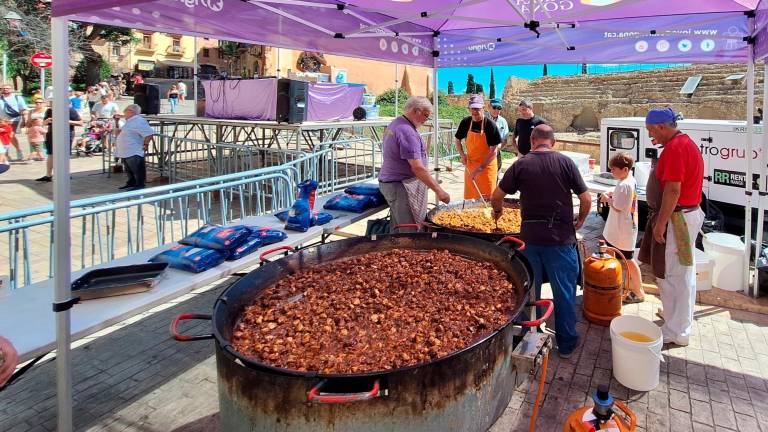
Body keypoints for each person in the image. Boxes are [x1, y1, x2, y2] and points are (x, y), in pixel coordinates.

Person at [490, 124, 591, 358]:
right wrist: (581, 220)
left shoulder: (521, 164)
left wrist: (497, 212)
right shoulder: (565, 162)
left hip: (530, 240)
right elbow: (585, 198)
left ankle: (528, 338)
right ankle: (566, 344)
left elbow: (497, 196)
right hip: (561, 240)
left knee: (528, 291)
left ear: (532, 141)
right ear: (552, 142)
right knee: (564, 293)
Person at [638, 107, 705, 347]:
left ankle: (677, 330)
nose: (650, 136)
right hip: (683, 216)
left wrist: (661, 224)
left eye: (650, 131)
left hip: (678, 220)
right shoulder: (682, 143)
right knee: (677, 271)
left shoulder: (676, 149)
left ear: (662, 127)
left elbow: (673, 190)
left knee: (675, 274)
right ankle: (674, 316)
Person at [379, 96, 451, 232]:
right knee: (410, 229)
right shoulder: (407, 131)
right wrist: (439, 191)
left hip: (393, 183)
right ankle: (407, 252)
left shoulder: (397, 123)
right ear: (416, 111)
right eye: (426, 115)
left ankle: (397, 251)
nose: (425, 120)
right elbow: (417, 167)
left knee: (398, 227)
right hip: (400, 186)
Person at [600, 152, 643, 303]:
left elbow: (617, 206)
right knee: (618, 257)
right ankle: (617, 284)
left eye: (614, 170)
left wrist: (607, 198)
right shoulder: (628, 180)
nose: (612, 172)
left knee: (628, 260)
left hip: (621, 230)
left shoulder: (624, 185)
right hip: (621, 228)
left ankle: (638, 291)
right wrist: (613, 192)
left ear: (625, 169)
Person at [454, 95, 502, 199]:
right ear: (469, 109)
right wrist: (462, 155)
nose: (475, 111)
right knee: (470, 197)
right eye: (472, 108)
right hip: (471, 164)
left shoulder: (490, 125)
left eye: (477, 108)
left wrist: (480, 169)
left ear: (483, 108)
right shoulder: (466, 122)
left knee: (487, 198)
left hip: (487, 167)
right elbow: (457, 140)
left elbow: (494, 151)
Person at [36, 103, 83, 182]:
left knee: (64, 154)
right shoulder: (49, 111)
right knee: (51, 154)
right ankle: (48, 175)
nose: (52, 105)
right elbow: (44, 123)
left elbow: (80, 122)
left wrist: (67, 121)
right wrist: (47, 121)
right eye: (51, 103)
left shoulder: (70, 110)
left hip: (66, 134)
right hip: (52, 134)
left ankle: (65, 174)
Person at [114, 104, 154, 191]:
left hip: (133, 150)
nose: (124, 113)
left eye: (125, 111)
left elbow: (149, 133)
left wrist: (145, 145)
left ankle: (140, 184)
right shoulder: (130, 121)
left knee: (137, 169)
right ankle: (131, 182)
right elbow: (120, 133)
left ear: (131, 111)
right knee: (129, 170)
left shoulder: (138, 121)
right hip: (126, 150)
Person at [0, 83, 29, 161]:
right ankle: (6, 155)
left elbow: (24, 109)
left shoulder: (17, 98)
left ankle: (18, 150)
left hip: (14, 120)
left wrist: (25, 118)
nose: (5, 89)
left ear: (11, 89)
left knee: (10, 135)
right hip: (2, 121)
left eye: (7, 88)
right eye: (4, 88)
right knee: (3, 136)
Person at [487, 98, 510, 172]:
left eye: (499, 108)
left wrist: (496, 150)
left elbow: (505, 140)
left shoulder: (503, 121)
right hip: (482, 152)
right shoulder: (483, 118)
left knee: (495, 174)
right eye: (494, 107)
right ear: (489, 107)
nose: (497, 110)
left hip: (496, 152)